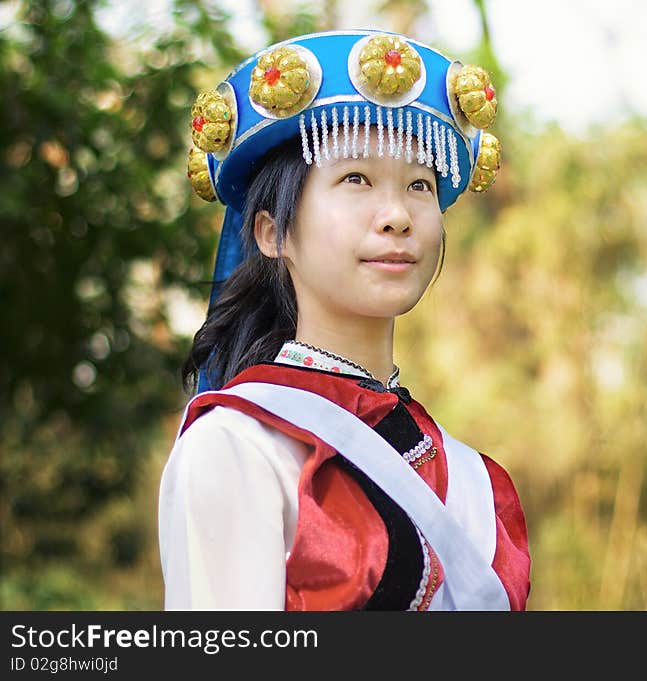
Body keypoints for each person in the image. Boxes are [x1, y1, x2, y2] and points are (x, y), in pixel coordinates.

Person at [158, 29, 530, 610]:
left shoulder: (468, 474)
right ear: (272, 232)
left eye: (419, 185)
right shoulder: (239, 445)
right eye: (355, 179)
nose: (397, 215)